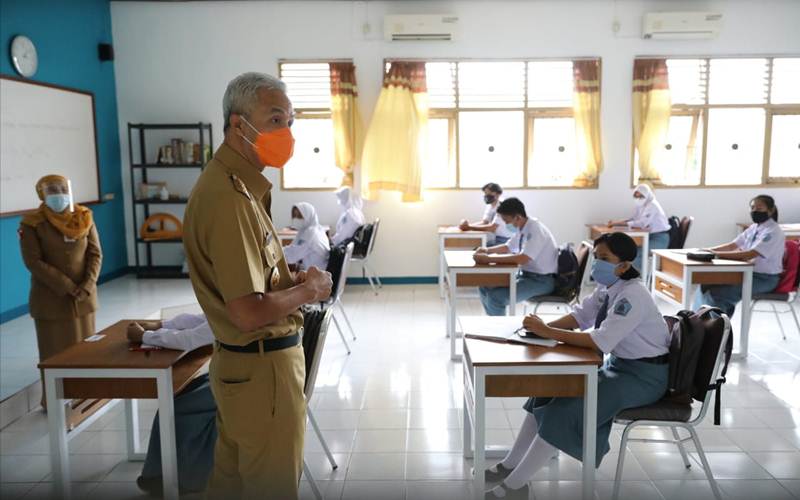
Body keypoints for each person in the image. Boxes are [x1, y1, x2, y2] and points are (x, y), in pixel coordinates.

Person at [182, 72, 333, 500]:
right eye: (275, 120)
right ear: (237, 125)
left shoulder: (240, 189)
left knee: (231, 486)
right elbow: (247, 312)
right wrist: (310, 290)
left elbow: (256, 284)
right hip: (262, 371)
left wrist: (289, 283)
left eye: (290, 121)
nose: (286, 133)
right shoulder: (229, 200)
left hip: (245, 371)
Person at [485, 232, 670, 499]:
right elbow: (580, 316)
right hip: (618, 366)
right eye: (596, 257)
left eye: (604, 258)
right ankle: (510, 464)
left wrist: (548, 332)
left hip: (644, 378)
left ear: (624, 265)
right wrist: (538, 330)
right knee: (545, 389)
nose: (597, 264)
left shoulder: (633, 296)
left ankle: (515, 486)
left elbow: (598, 340)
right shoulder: (609, 288)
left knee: (566, 412)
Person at [19, 174, 102, 409]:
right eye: (52, 191)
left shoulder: (84, 217)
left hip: (84, 299)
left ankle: (86, 397)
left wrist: (87, 285)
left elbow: (95, 253)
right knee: (53, 353)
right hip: (51, 300)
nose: (59, 196)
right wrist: (67, 286)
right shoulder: (32, 223)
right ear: (42, 195)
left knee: (86, 350)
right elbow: (33, 261)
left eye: (62, 189)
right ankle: (54, 401)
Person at [126, 315, 215, 495]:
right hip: (231, 373)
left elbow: (192, 338)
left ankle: (177, 478)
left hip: (242, 381)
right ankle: (159, 474)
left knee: (174, 409)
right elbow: (207, 318)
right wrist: (160, 325)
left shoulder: (242, 298)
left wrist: (145, 337)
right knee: (180, 395)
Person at [694, 194, 785, 317]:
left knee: (716, 295)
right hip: (746, 273)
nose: (754, 211)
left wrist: (716, 255)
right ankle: (696, 323)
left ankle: (715, 331)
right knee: (705, 285)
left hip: (764, 279)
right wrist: (706, 251)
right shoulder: (754, 227)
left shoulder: (773, 231)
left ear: (771, 210)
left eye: (759, 208)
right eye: (752, 208)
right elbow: (733, 245)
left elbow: (749, 254)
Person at [474, 197, 558, 316]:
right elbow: (508, 247)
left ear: (517, 217)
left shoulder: (535, 230)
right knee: (484, 284)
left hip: (541, 281)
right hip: (527, 276)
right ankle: (492, 322)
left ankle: (498, 331)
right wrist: (486, 250)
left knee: (496, 298)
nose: (507, 225)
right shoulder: (523, 228)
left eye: (507, 221)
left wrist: (489, 259)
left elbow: (522, 258)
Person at [607, 183, 671, 272]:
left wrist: (622, 224)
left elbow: (642, 224)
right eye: (636, 196)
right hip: (648, 237)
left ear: (647, 195)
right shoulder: (641, 205)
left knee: (637, 253)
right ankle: (630, 275)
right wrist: (617, 223)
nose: (638, 199)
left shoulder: (652, 205)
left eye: (641, 196)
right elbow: (633, 219)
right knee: (629, 251)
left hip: (659, 238)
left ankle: (636, 277)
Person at [284, 202, 331, 272]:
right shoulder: (316, 229)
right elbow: (293, 248)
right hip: (313, 272)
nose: (296, 219)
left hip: (315, 276)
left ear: (308, 216)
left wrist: (276, 250)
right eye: (294, 216)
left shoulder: (311, 233)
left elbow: (292, 255)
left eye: (299, 216)